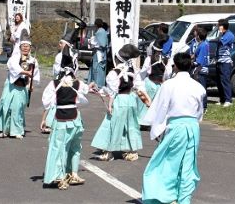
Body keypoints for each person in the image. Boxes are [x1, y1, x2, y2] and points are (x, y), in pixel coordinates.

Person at [141, 52, 207, 204]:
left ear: (175, 66)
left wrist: (157, 128)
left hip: (176, 126)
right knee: (188, 165)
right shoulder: (198, 87)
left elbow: (161, 107)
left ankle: (166, 196)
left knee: (166, 163)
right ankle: (183, 199)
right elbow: (199, 113)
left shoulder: (168, 85)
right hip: (193, 127)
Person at [90, 44, 144, 162]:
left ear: (117, 59)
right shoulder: (133, 70)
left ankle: (109, 152)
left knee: (112, 124)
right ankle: (131, 151)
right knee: (130, 125)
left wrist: (109, 104)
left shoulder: (114, 73)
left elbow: (112, 92)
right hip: (130, 99)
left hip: (119, 100)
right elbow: (138, 87)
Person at [41, 65, 89, 190]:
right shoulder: (79, 83)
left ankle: (60, 177)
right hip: (75, 119)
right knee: (75, 147)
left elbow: (46, 102)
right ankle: (73, 173)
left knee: (59, 147)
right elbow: (87, 91)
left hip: (61, 119)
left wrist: (44, 118)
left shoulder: (54, 84)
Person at [0, 40, 40, 139]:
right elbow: (13, 68)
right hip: (11, 85)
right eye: (23, 46)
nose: (25, 48)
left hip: (23, 87)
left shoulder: (33, 60)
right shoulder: (14, 58)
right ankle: (4, 130)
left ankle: (17, 131)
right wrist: (25, 72)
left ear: (30, 48)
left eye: (27, 46)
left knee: (17, 108)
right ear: (20, 48)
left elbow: (34, 74)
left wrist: (31, 84)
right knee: (5, 105)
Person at [189, 27, 210, 112]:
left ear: (198, 36)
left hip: (201, 69)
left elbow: (200, 61)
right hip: (199, 69)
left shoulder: (203, 45)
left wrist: (192, 63)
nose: (195, 35)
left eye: (196, 34)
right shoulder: (202, 44)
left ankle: (204, 106)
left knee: (202, 88)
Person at [215, 19, 235, 107]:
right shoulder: (223, 34)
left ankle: (228, 100)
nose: (217, 27)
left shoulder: (229, 35)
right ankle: (222, 99)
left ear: (223, 26)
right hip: (219, 60)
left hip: (225, 62)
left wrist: (219, 33)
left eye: (218, 25)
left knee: (225, 80)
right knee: (219, 81)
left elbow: (221, 42)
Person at [87, 18, 108, 87]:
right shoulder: (103, 31)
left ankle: (97, 84)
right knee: (100, 68)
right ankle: (98, 84)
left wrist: (91, 42)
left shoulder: (99, 32)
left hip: (98, 53)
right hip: (101, 53)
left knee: (97, 68)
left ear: (96, 25)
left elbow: (102, 44)